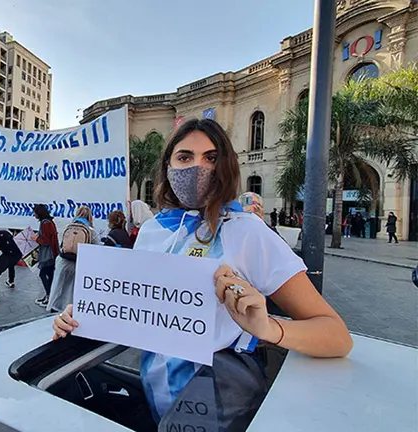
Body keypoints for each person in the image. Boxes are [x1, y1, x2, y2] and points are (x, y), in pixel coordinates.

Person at [52, 118, 352, 425]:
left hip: (218, 404)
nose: (197, 168)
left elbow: (337, 336)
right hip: (156, 401)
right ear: (167, 167)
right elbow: (140, 310)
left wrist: (267, 328)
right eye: (184, 157)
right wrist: (86, 313)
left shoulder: (248, 232)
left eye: (210, 158)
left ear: (226, 166)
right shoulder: (152, 230)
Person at [46, 206, 102, 312]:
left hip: (63, 262)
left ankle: (53, 306)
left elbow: (61, 245)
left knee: (58, 285)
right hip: (78, 263)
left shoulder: (68, 227)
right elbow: (96, 249)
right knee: (71, 289)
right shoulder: (91, 231)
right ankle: (67, 310)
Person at [32, 204, 59, 307]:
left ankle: (49, 296)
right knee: (50, 275)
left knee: (43, 274)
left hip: (48, 254)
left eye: (35, 212)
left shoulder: (45, 223)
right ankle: (50, 295)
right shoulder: (49, 222)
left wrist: (37, 239)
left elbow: (46, 240)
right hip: (53, 252)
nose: (34, 215)